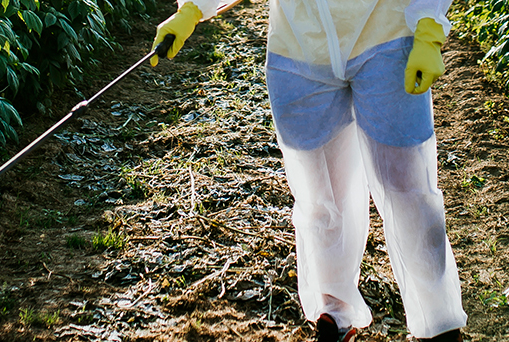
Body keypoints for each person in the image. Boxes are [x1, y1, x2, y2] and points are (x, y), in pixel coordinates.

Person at [149, 0, 464, 341]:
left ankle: (439, 324)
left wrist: (429, 27)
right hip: (299, 43)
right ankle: (334, 313)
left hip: (387, 32)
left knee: (408, 187)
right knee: (320, 192)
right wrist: (192, 9)